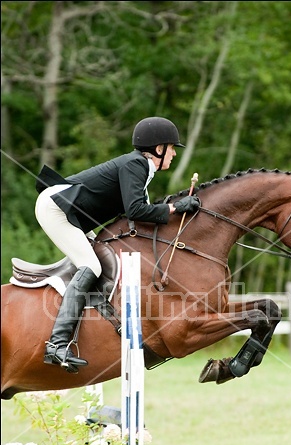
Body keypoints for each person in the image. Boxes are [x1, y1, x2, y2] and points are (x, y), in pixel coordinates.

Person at [35, 116, 200, 373]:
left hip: (70, 211)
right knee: (90, 265)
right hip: (56, 208)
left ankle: (105, 324)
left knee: (100, 262)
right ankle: (56, 345)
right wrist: (175, 207)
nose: (174, 155)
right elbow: (136, 210)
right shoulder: (137, 165)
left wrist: (174, 209)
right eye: (172, 149)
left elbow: (142, 213)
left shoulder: (140, 168)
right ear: (159, 148)